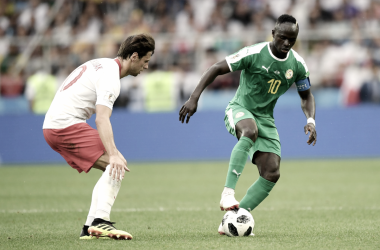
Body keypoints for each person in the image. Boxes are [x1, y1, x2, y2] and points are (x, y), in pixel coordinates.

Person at [178, 14, 317, 235]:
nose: (287, 43)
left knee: (272, 172)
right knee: (249, 131)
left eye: (292, 39)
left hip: (266, 119)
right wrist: (194, 98)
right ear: (273, 34)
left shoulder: (297, 65)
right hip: (239, 109)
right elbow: (216, 68)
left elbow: (306, 96)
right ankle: (227, 193)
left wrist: (310, 120)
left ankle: (234, 218)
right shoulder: (254, 53)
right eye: (282, 37)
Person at [43, 34, 155, 240]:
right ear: (134, 57)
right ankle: (100, 221)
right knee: (117, 163)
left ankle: (89, 228)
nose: (146, 66)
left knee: (114, 165)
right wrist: (112, 153)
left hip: (54, 125)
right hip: (65, 125)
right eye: (146, 61)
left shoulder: (103, 64)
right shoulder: (111, 77)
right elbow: (101, 119)